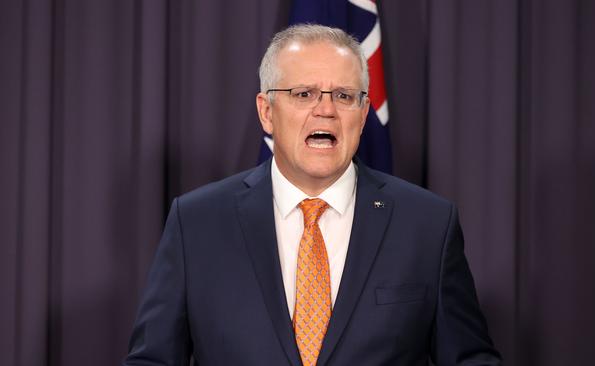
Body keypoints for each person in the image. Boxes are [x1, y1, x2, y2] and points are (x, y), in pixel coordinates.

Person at [124, 24, 501, 366]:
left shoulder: (427, 224)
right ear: (266, 112)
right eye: (304, 93)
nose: (326, 110)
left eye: (344, 95)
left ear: (364, 111)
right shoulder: (197, 223)